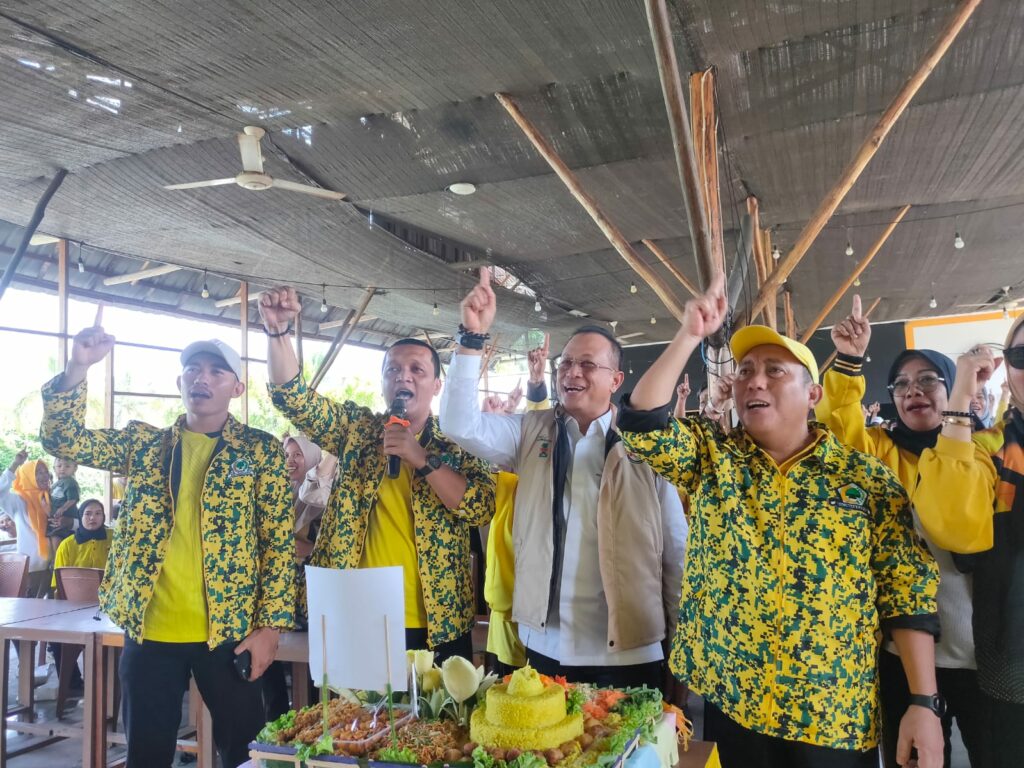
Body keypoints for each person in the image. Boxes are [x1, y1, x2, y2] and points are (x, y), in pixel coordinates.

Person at [617, 273, 943, 768]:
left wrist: (923, 704)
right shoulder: (713, 459)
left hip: (832, 713)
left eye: (775, 371)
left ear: (813, 395)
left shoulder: (864, 481)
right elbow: (642, 424)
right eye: (746, 370)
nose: (755, 380)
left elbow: (907, 593)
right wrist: (689, 334)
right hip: (735, 701)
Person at [40, 315, 295, 768]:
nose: (203, 378)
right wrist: (78, 367)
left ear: (237, 389)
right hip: (150, 630)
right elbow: (63, 438)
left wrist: (271, 628)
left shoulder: (260, 451)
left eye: (217, 371)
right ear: (181, 381)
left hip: (229, 632)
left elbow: (278, 543)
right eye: (194, 369)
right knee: (146, 755)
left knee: (249, 754)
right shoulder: (145, 445)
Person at [440, 269, 687, 692]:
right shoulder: (531, 432)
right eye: (566, 362)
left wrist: (682, 645)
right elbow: (459, 424)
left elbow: (676, 548)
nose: (572, 372)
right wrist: (471, 339)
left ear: (616, 380)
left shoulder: (648, 448)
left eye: (588, 364)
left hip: (627, 651)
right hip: (545, 644)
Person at [260, 286, 495, 663]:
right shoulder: (356, 431)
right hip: (357, 615)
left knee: (440, 722)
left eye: (417, 370)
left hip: (439, 620)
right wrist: (277, 332)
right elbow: (294, 398)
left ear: (437, 386)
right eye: (393, 370)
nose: (404, 377)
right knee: (355, 722)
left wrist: (422, 459)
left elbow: (480, 508)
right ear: (384, 383)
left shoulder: (459, 444)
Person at [818, 295, 998, 768]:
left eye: (926, 380)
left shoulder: (985, 449)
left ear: (953, 385)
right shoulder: (878, 451)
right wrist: (850, 361)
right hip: (899, 652)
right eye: (900, 385)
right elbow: (835, 428)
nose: (912, 391)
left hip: (984, 653)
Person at [954, 314, 1024, 767]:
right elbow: (957, 533)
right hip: (1012, 666)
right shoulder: (986, 451)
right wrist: (960, 397)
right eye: (1021, 355)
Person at [49, 498, 111, 691]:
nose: (93, 518)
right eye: (88, 513)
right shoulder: (67, 545)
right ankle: (73, 684)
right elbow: (58, 586)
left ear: (104, 516)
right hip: (75, 609)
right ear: (80, 516)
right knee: (57, 639)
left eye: (98, 513)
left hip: (109, 608)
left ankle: (108, 684)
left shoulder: (116, 539)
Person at [0, 449, 53, 597]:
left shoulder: (53, 496)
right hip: (31, 567)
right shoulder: (19, 501)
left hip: (53, 566)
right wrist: (15, 464)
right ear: (28, 476)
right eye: (38, 472)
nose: (44, 475)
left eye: (45, 471)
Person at [47, 456, 81, 550]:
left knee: (56, 538)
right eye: (59, 466)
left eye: (67, 466)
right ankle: (56, 560)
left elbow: (73, 499)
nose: (62, 469)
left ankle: (56, 561)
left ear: (75, 468)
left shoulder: (70, 482)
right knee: (54, 538)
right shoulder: (55, 484)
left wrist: (63, 508)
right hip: (56, 519)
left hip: (67, 517)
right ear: (54, 468)